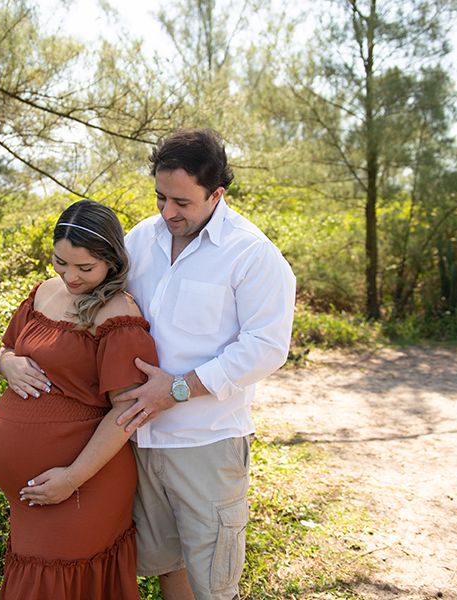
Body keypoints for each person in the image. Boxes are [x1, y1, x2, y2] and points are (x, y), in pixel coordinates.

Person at [112, 128, 297, 600]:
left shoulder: (252, 254)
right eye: (160, 197)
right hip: (140, 440)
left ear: (217, 194)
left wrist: (176, 389)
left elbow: (266, 346)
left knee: (213, 580)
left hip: (206, 443)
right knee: (164, 563)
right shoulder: (138, 239)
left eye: (183, 202)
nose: (168, 212)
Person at [0, 199, 159, 599]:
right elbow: (8, 348)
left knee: (61, 584)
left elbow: (129, 410)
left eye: (85, 268)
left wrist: (72, 478)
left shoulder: (116, 315)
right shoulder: (45, 291)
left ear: (112, 263)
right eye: (61, 262)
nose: (70, 276)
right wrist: (6, 363)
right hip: (31, 495)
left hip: (84, 485)